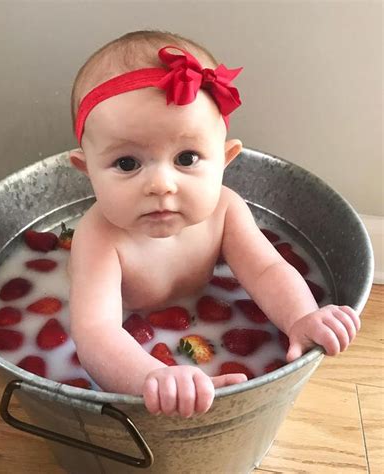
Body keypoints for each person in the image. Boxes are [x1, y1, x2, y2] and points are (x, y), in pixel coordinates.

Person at [67, 30, 360, 418]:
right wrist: (151, 377)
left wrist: (301, 317)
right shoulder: (98, 236)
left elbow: (267, 269)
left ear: (226, 159)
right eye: (127, 163)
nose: (161, 185)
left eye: (186, 158)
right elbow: (96, 333)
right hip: (137, 347)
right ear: (85, 170)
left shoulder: (225, 209)